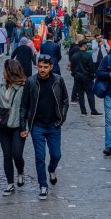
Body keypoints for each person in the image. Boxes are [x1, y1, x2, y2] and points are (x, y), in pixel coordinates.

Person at [21, 53, 70, 200]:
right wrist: (24, 126)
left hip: (54, 125)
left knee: (56, 155)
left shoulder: (58, 80)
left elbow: (65, 100)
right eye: (40, 67)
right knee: (40, 157)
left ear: (51, 67)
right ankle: (43, 185)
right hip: (37, 126)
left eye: (45, 67)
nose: (42, 70)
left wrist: (62, 117)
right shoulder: (30, 82)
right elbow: (24, 106)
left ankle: (52, 169)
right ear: (37, 66)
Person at [0, 59, 28, 194]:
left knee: (17, 154)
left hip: (18, 125)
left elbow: (26, 109)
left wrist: (27, 127)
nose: (3, 72)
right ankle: (10, 183)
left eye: (4, 70)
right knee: (7, 155)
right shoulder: (2, 86)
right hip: (4, 125)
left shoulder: (23, 87)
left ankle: (20, 172)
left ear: (10, 71)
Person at [70, 39, 101, 115]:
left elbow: (72, 68)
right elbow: (91, 68)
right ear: (84, 46)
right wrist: (92, 75)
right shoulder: (88, 55)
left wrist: (75, 74)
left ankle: (83, 111)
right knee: (90, 94)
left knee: (80, 95)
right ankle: (93, 110)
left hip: (78, 77)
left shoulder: (74, 56)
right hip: (87, 78)